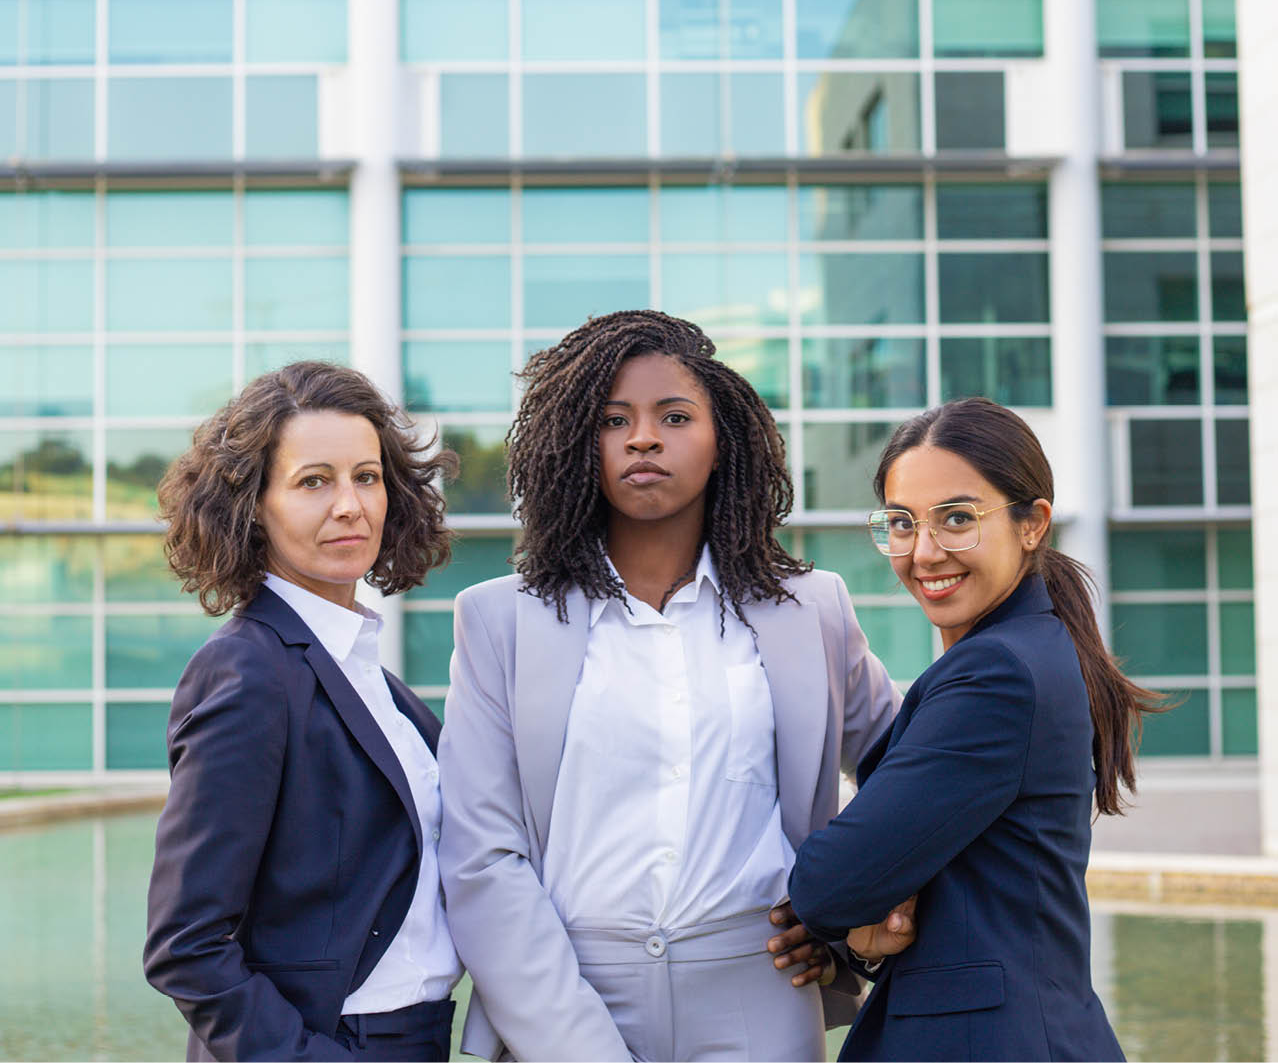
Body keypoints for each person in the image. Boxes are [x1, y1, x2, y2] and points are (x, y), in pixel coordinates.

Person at [437, 310, 905, 1062]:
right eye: (612, 419)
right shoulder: (499, 620)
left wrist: (844, 927)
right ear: (573, 445)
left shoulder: (811, 609)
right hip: (564, 997)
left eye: (675, 416)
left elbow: (907, 776)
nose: (643, 437)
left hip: (762, 992)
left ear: (724, 443)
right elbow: (483, 857)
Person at [788, 397, 1164, 1062]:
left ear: (1032, 524)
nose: (924, 551)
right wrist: (863, 932)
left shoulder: (998, 671)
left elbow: (829, 882)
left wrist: (847, 910)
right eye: (902, 523)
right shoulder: (1023, 647)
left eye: (957, 519)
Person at [143, 361, 461, 1062]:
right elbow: (185, 944)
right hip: (329, 1044)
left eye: (367, 476)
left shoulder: (373, 678)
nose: (350, 504)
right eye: (313, 480)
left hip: (415, 1037)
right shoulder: (249, 670)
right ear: (254, 505)